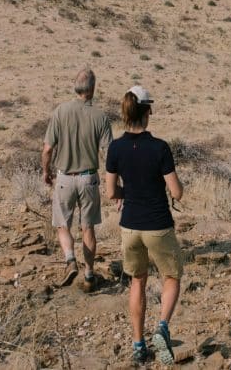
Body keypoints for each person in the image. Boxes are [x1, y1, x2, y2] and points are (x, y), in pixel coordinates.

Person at [105, 85, 184, 366]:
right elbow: (176, 192)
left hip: (130, 226)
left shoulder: (116, 148)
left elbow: (111, 192)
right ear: (147, 111)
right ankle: (162, 327)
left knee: (137, 281)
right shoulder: (159, 148)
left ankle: (139, 345)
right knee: (171, 277)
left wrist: (130, 193)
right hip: (158, 223)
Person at [41, 67, 113, 291]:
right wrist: (115, 182)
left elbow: (47, 150)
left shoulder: (61, 112)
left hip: (64, 178)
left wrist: (46, 171)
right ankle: (90, 274)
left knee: (63, 224)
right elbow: (109, 154)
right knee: (88, 228)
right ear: (93, 88)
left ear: (76, 87)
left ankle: (71, 260)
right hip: (89, 178)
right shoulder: (100, 116)